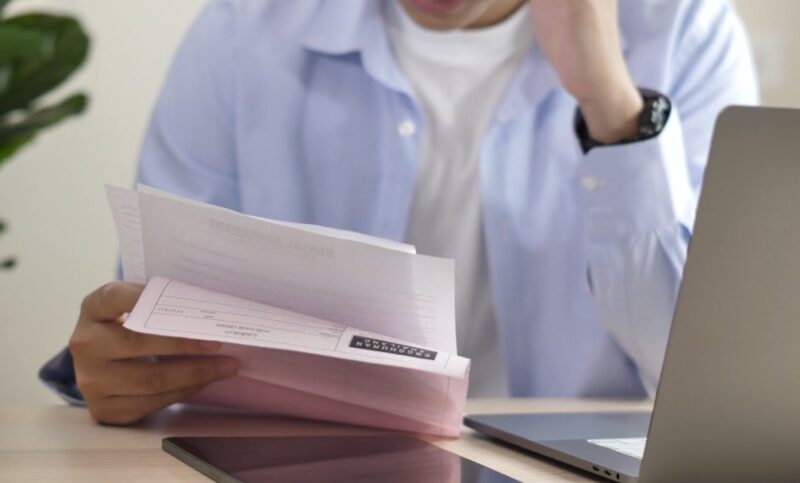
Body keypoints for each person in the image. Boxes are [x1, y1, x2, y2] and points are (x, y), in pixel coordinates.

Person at [41, 0, 757, 425]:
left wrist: (613, 104)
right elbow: (156, 326)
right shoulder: (245, 29)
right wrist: (124, 366)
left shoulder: (683, 30)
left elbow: (708, 376)